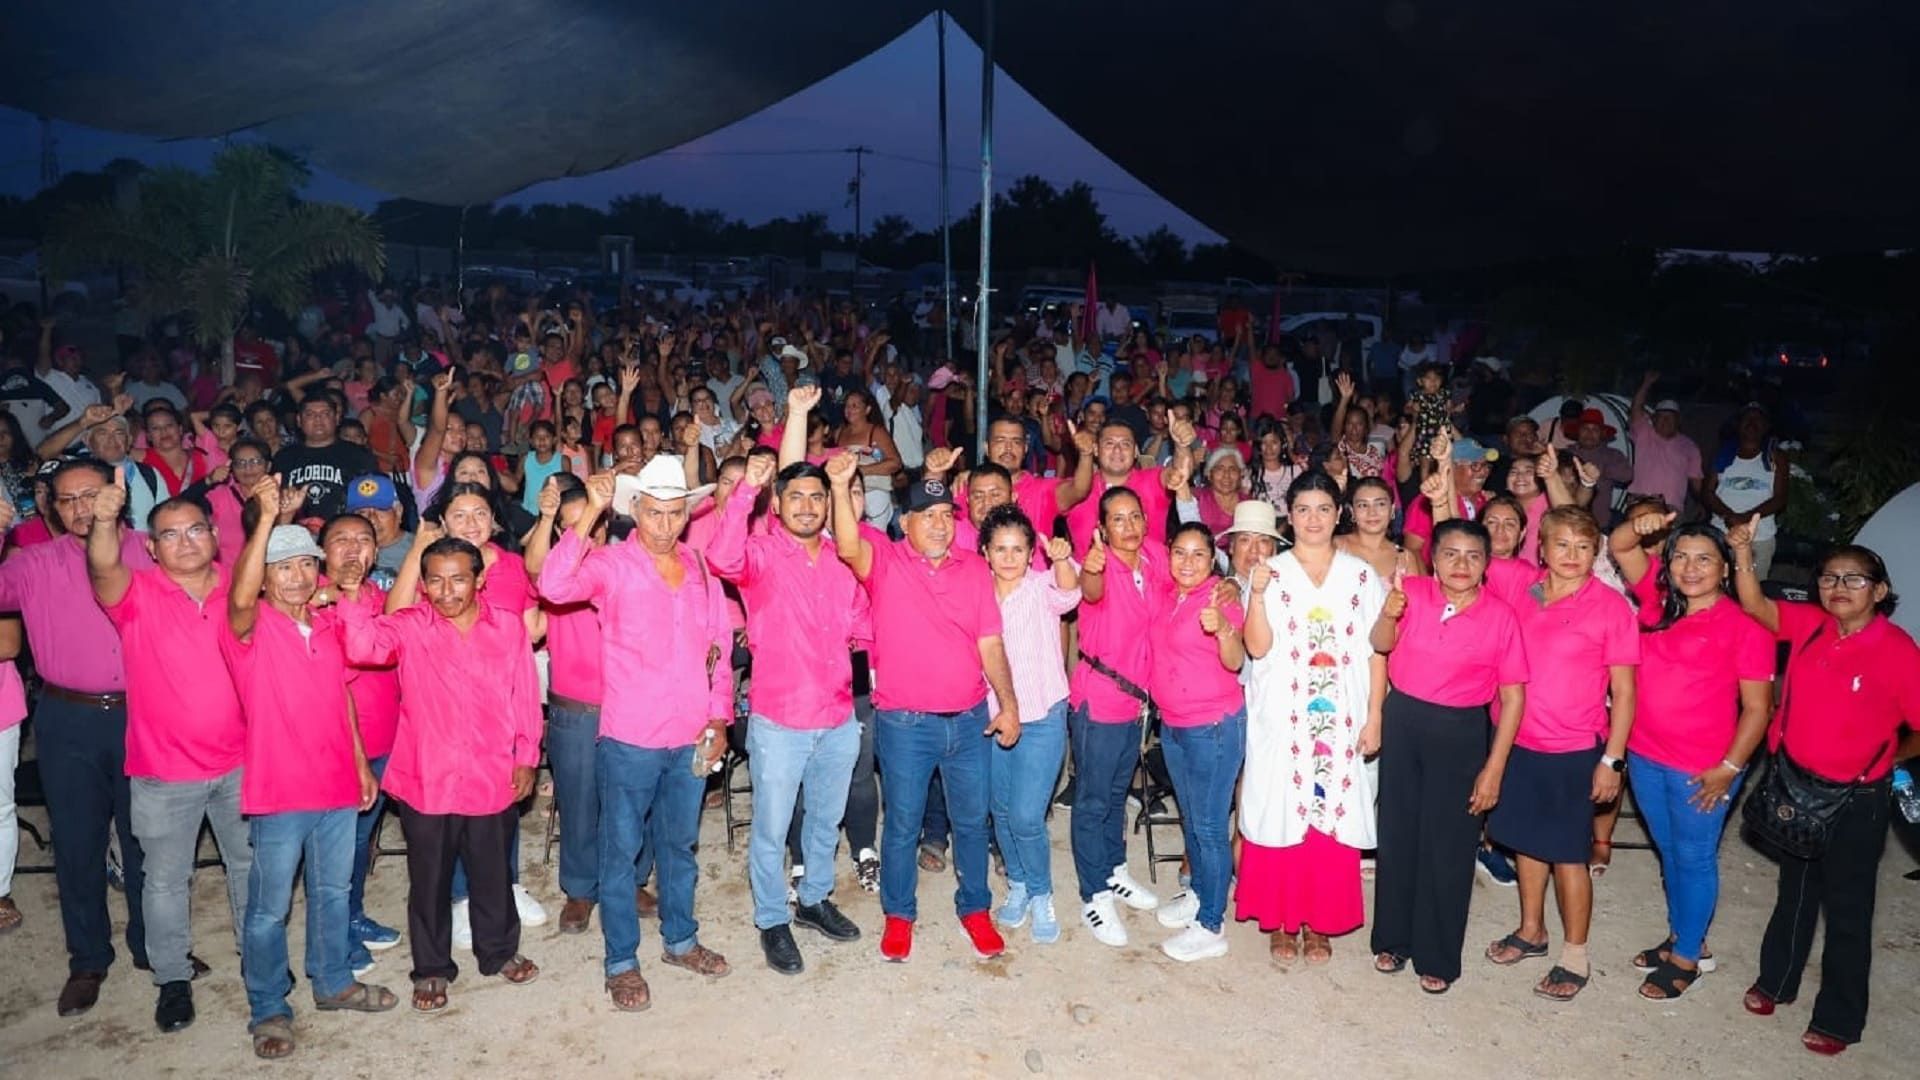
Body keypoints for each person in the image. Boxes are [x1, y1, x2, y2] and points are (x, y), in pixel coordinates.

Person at [537, 457, 734, 1010]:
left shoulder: (698, 567)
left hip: (690, 733)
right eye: (654, 513)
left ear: (688, 515)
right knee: (619, 852)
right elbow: (553, 584)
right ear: (635, 511)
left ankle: (680, 939)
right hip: (630, 737)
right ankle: (621, 960)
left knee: (680, 845)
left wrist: (718, 717)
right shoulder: (611, 564)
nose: (665, 524)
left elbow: (717, 648)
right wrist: (590, 509)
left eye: (675, 513)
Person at [1728, 530, 1920, 1055]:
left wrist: (1889, 757)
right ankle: (1777, 981)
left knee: (1848, 907)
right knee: (1796, 889)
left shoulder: (1898, 650)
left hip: (1857, 800)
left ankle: (1839, 1017)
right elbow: (1754, 606)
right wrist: (1743, 553)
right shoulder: (1813, 625)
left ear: (1879, 591)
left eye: (1854, 579)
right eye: (1830, 577)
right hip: (1796, 783)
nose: (1839, 587)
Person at [338, 536, 543, 1013]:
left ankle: (499, 951)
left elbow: (525, 696)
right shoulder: (410, 625)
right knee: (428, 880)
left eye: (458, 579)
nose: (446, 591)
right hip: (426, 777)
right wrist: (351, 595)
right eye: (435, 580)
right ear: (422, 584)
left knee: (493, 872)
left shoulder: (508, 627)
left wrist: (526, 756)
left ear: (480, 580)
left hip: (492, 772)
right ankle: (431, 968)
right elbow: (363, 646)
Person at [225, 488, 394, 1057]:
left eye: (304, 564)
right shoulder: (250, 629)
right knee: (269, 908)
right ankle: (269, 1007)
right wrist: (269, 518)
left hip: (337, 785)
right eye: (282, 567)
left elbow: (343, 697)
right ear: (264, 577)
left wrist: (359, 763)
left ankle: (333, 981)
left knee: (331, 889)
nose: (296, 577)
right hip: (280, 792)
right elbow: (240, 596)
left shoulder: (324, 627)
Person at [829, 464, 1021, 962]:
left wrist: (1009, 705)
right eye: (926, 515)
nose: (939, 524)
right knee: (903, 824)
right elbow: (847, 545)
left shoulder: (975, 569)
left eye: (945, 515)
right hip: (905, 724)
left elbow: (990, 642)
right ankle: (899, 914)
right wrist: (836, 484)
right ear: (905, 521)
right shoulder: (887, 562)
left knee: (972, 822)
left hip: (968, 719)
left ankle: (975, 909)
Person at [89, 480, 252, 1033]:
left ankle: (258, 959)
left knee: (249, 865)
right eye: (170, 534)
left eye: (196, 529)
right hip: (164, 771)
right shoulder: (134, 594)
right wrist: (104, 521)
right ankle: (172, 979)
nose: (185, 542)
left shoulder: (240, 585)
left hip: (242, 762)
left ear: (215, 535)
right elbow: (102, 568)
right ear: (152, 548)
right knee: (164, 880)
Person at [0, 460, 153, 1016]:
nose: (81, 508)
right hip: (68, 719)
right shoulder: (32, 563)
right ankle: (88, 958)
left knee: (147, 839)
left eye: (92, 494)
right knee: (77, 843)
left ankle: (152, 946)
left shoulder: (151, 549)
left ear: (116, 494)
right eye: (67, 500)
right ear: (51, 508)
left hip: (144, 714)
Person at [709, 450, 872, 973]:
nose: (806, 506)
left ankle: (815, 899)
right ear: (775, 504)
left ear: (830, 504)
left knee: (826, 820)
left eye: (817, 497)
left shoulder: (841, 558)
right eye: (795, 497)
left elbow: (863, 622)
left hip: (838, 716)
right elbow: (720, 559)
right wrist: (743, 497)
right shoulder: (757, 553)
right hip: (780, 720)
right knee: (773, 828)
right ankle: (772, 919)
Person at [1608, 514, 1774, 999]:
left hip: (1702, 768)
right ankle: (1684, 934)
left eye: (1704, 558)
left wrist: (1729, 768)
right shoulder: (1658, 604)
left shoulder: (1748, 623)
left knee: (1695, 857)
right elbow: (1619, 545)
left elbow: (1758, 709)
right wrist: (1643, 524)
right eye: (1681, 556)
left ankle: (1688, 958)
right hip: (1645, 754)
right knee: (1671, 852)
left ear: (1725, 569)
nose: (1690, 567)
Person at [1478, 505, 1638, 1003]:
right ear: (1541, 549)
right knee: (1527, 842)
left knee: (1569, 854)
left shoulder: (1610, 606)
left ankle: (1575, 954)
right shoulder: (1521, 588)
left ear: (1597, 553)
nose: (1572, 555)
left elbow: (1627, 693)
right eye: (1562, 544)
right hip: (1519, 741)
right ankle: (1531, 931)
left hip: (1575, 747)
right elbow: (1457, 544)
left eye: (1584, 546)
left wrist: (1612, 760)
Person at [1367, 518, 1529, 993]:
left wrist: (1494, 768)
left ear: (1486, 564)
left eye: (1473, 555)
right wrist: (1388, 614)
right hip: (1405, 720)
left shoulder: (1501, 616)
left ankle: (1437, 954)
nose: (1461, 564)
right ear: (1433, 559)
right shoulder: (1411, 592)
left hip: (1461, 730)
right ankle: (1393, 938)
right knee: (1398, 834)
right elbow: (1379, 645)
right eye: (1451, 554)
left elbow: (1514, 698)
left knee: (1450, 844)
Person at [1239, 471, 1387, 966]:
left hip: (1340, 719)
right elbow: (1256, 648)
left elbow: (1376, 652)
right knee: (1282, 808)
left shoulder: (1362, 576)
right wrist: (1256, 595)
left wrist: (1375, 716)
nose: (1314, 519)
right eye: (1303, 509)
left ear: (1338, 513)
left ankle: (1319, 922)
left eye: (1324, 508)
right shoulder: (1272, 571)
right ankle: (1281, 919)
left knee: (1331, 815)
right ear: (1290, 515)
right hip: (1282, 717)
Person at [1070, 487, 1169, 945]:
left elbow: (1196, 565)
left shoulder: (1152, 560)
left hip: (1137, 703)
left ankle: (1112, 869)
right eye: (1117, 520)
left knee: (1115, 794)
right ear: (1103, 528)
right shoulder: (1099, 564)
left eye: (1135, 517)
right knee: (1092, 800)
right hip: (1102, 698)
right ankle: (1093, 894)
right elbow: (1089, 590)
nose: (1128, 527)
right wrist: (1089, 568)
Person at [977, 505, 1079, 945]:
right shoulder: (977, 594)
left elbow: (1070, 595)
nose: (1009, 556)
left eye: (1018, 548)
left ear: (1030, 552)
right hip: (993, 717)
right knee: (1000, 809)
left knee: (1025, 815)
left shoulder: (1041, 587)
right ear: (985, 552)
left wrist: (1060, 559)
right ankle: (1017, 883)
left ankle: (1041, 893)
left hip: (1042, 716)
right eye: (1000, 548)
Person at [1146, 522, 1246, 961]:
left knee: (1208, 827)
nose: (1188, 563)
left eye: (1198, 555)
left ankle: (1211, 924)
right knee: (1192, 819)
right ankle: (1199, 895)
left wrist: (1224, 628)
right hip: (1173, 725)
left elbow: (1236, 657)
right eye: (1180, 553)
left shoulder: (1220, 599)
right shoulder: (1170, 596)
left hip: (1214, 728)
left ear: (1213, 560)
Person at [310, 512, 405, 969]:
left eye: (363, 540)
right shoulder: (311, 600)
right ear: (321, 550)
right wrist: (338, 593)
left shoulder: (382, 597)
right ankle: (335, 941)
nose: (353, 549)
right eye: (341, 539)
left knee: (362, 838)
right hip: (342, 746)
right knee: (335, 849)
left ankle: (352, 915)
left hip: (386, 739)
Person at [1704, 405, 1789, 580]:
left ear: (1766, 426)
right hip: (1721, 534)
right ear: (1738, 425)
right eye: (1747, 419)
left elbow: (1780, 498)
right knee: (1715, 588)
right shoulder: (1722, 454)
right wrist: (1728, 516)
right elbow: (1707, 492)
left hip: (1759, 538)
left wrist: (1746, 518)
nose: (1752, 423)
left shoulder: (1775, 457)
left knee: (1753, 592)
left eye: (1758, 419)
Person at [273, 392, 379, 528]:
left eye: (325, 414)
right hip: (295, 534)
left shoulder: (358, 455)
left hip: (345, 531)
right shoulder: (284, 457)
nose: (318, 419)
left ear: (337, 418)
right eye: (310, 414)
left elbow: (372, 497)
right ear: (299, 420)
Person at [1627, 373, 1703, 512]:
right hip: (1639, 503)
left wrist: (1702, 504)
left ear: (1678, 421)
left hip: (1671, 509)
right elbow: (1636, 408)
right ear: (1654, 419)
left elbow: (1696, 481)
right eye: (1661, 417)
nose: (1665, 421)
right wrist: (1646, 384)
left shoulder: (1689, 446)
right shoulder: (1643, 433)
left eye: (1670, 417)